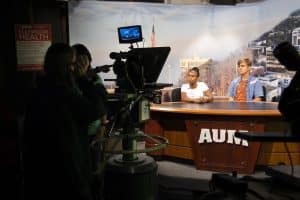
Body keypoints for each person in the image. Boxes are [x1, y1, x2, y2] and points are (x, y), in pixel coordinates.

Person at [23, 43, 102, 200]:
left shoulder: (38, 90)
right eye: (73, 64)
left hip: (42, 176)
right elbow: (96, 110)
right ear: (67, 67)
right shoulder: (64, 93)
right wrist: (84, 79)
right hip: (70, 177)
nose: (75, 68)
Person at [72, 43, 110, 199]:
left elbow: (102, 113)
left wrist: (99, 135)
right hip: (76, 134)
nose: (80, 63)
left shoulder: (94, 80)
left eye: (83, 59)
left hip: (94, 134)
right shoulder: (70, 80)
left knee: (95, 171)